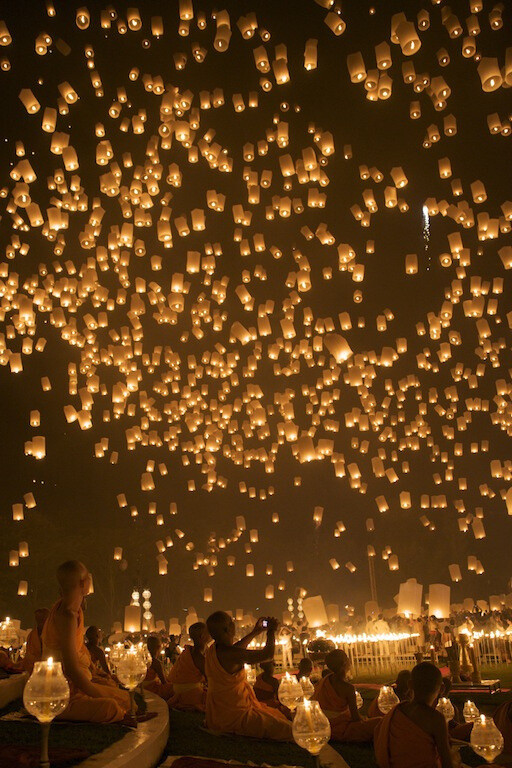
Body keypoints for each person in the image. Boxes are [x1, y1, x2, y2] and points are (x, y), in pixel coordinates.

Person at [41, 560, 132, 723]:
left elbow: (78, 649)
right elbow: (71, 669)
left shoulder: (73, 611)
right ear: (84, 583)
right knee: (111, 706)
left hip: (77, 681)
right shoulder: (67, 616)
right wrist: (96, 692)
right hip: (61, 691)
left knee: (123, 697)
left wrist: (96, 676)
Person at [204, 612, 292, 740]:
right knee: (287, 729)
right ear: (228, 629)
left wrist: (255, 632)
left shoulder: (215, 649)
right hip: (234, 715)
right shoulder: (229, 653)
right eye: (231, 623)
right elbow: (267, 656)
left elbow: (238, 648)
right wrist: (271, 631)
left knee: (276, 715)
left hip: (218, 713)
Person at [374, 662, 457, 768]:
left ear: (410, 684)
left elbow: (379, 734)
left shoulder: (397, 710)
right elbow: (446, 761)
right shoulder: (436, 718)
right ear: (441, 689)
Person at [312, 649, 381, 742]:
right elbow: (355, 718)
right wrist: (365, 720)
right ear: (344, 663)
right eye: (347, 658)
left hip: (321, 725)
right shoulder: (348, 688)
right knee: (380, 722)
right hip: (340, 728)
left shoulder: (324, 681)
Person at [166, 622, 209, 711]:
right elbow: (209, 678)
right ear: (202, 636)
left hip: (180, 688)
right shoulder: (198, 656)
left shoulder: (190, 651)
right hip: (189, 692)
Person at [143, 635, 175, 699]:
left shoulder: (144, 659)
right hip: (151, 689)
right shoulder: (156, 662)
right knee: (174, 687)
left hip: (143, 687)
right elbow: (164, 682)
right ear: (159, 647)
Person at [19, 608, 50, 673]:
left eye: (43, 619)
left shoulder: (53, 634)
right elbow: (29, 656)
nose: (41, 622)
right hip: (35, 669)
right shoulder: (32, 635)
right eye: (39, 620)